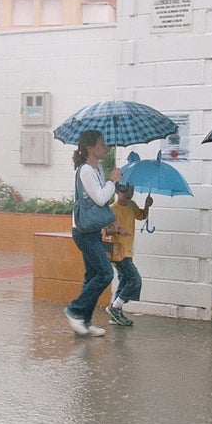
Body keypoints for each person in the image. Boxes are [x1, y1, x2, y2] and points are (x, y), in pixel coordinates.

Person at [63, 130, 121, 337]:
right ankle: (75, 309)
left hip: (92, 230)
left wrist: (110, 181)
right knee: (105, 273)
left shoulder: (98, 170)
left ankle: (84, 322)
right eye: (102, 144)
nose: (105, 147)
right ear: (90, 148)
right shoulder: (86, 170)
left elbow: (103, 201)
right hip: (83, 232)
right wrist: (112, 182)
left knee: (93, 275)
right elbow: (100, 198)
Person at [101, 182, 152, 326]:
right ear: (117, 191)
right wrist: (118, 230)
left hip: (128, 251)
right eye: (125, 192)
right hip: (118, 252)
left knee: (124, 281)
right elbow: (104, 231)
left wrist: (147, 205)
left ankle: (116, 314)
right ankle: (115, 307)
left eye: (131, 192)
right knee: (135, 280)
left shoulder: (131, 205)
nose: (129, 195)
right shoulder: (112, 210)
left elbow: (141, 216)